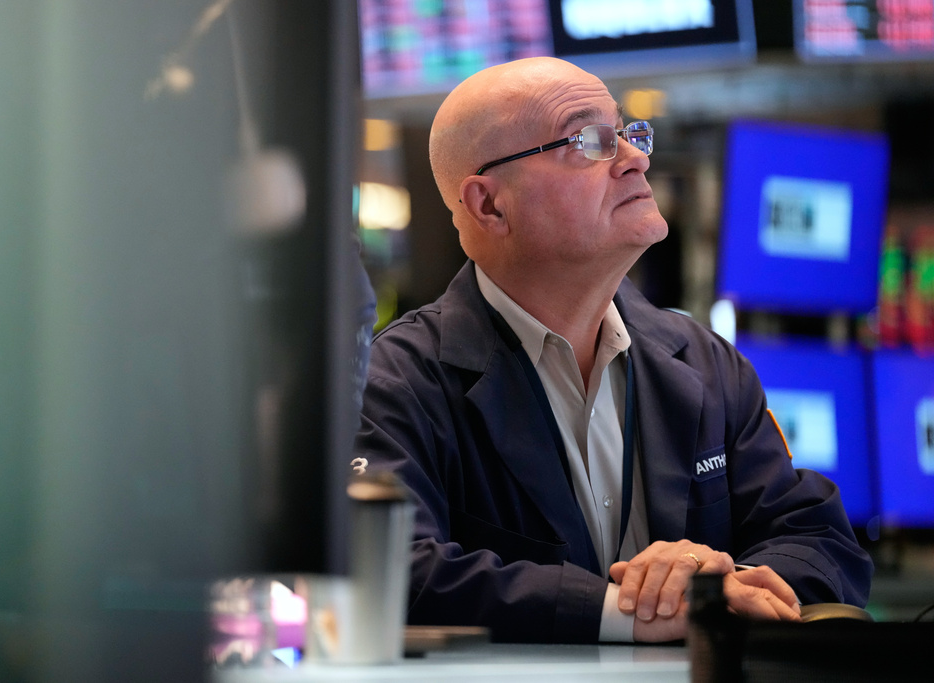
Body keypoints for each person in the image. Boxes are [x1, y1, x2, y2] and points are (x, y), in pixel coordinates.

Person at [353, 57, 873, 643]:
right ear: (490, 205)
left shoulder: (704, 363)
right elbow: (390, 571)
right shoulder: (398, 382)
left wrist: (726, 584)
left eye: (627, 133)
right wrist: (629, 611)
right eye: (590, 140)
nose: (636, 158)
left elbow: (821, 541)